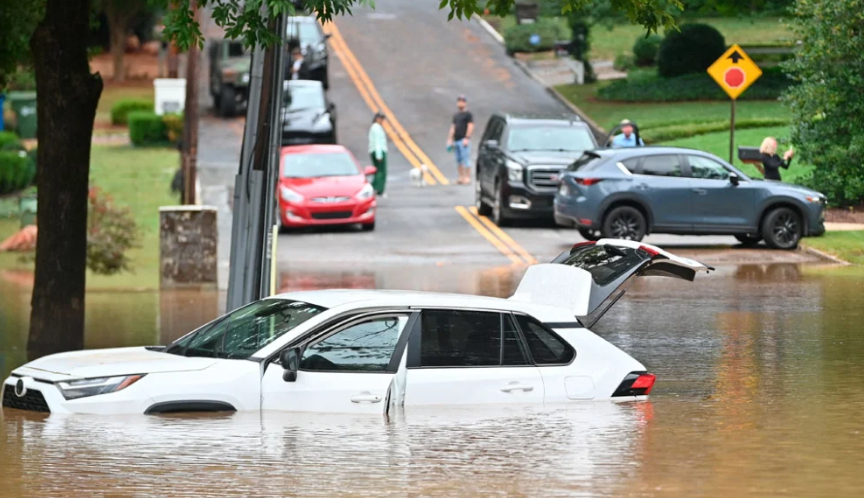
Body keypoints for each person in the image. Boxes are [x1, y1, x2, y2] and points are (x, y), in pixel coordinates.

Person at [446, 95, 474, 185]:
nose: (460, 103)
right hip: (456, 140)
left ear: (465, 103)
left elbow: (470, 126)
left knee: (466, 159)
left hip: (463, 140)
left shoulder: (468, 115)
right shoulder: (456, 116)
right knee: (459, 160)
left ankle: (467, 177)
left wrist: (467, 138)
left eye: (462, 101)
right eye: (459, 101)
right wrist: (450, 139)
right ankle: (461, 177)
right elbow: (453, 127)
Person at [368, 112, 388, 197]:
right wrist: (379, 155)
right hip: (378, 151)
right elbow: (378, 142)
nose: (382, 121)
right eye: (381, 119)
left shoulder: (375, 127)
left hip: (375, 151)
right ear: (377, 118)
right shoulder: (376, 128)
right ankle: (379, 189)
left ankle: (374, 187)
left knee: (377, 171)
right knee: (381, 171)